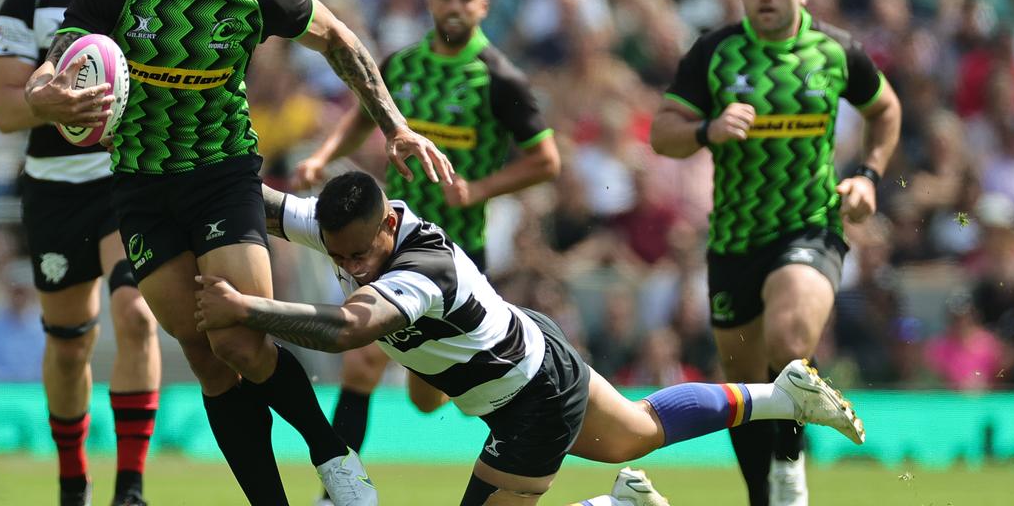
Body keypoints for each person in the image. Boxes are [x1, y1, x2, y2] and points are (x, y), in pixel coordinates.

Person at [26, 0, 453, 506]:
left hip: (222, 180)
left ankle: (332, 454)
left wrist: (393, 125)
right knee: (203, 355)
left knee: (241, 340)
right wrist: (47, 97)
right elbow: (56, 65)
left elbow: (339, 39)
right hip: (140, 190)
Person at [194, 173, 865, 506]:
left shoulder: (421, 269)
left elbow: (346, 330)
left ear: (387, 228)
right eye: (338, 259)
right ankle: (779, 396)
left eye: (360, 258)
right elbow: (262, 202)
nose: (350, 269)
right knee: (637, 433)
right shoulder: (351, 224)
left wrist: (248, 307)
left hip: (529, 402)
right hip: (535, 352)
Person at [293, 0, 561, 495]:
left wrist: (480, 190)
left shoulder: (499, 78)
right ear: (430, 1)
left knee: (425, 396)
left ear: (483, 5)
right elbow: (364, 114)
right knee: (362, 366)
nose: (455, 6)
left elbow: (546, 160)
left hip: (456, 260)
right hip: (391, 242)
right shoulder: (403, 65)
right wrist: (322, 159)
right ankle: (335, 490)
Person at [649, 0, 901, 506]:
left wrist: (868, 174)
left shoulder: (835, 52)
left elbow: (885, 109)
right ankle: (764, 494)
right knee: (747, 389)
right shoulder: (714, 53)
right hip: (734, 241)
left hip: (810, 225)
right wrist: (705, 131)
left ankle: (792, 469)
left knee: (790, 343)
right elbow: (662, 133)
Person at [0, 0, 162, 506]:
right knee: (70, 346)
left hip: (129, 184)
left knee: (137, 315)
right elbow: (5, 111)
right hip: (54, 191)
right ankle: (72, 484)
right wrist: (56, 105)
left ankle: (132, 490)